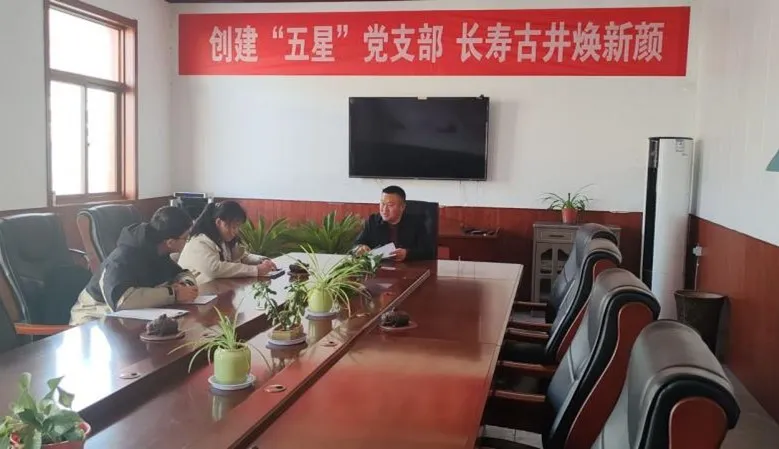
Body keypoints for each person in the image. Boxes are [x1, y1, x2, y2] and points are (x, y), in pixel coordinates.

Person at [70, 206, 199, 325]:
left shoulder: (158, 250)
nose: (188, 241)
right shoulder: (122, 258)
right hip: (92, 315)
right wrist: (174, 294)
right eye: (186, 237)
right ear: (170, 242)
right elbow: (122, 300)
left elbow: (181, 274)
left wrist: (187, 286)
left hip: (128, 317)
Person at [177, 201, 276, 284]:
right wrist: (256, 270)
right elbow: (214, 269)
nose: (236, 231)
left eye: (238, 227)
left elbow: (242, 256)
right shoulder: (200, 240)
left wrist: (261, 260)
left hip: (216, 289)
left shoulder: (223, 238)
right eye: (233, 227)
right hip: (198, 293)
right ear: (219, 222)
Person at [353, 185, 431, 262]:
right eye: (382, 203)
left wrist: (407, 253)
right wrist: (360, 247)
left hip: (406, 267)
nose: (384, 209)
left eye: (390, 205)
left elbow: (428, 251)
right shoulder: (372, 221)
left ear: (402, 207)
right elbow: (357, 244)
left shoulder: (416, 223)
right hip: (381, 267)